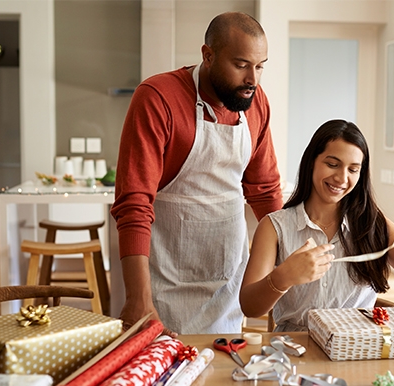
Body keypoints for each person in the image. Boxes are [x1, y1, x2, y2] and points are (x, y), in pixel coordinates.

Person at [111, 12, 283, 335]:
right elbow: (133, 205)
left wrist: (289, 259)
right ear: (208, 55)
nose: (253, 79)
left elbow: (265, 191)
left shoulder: (256, 104)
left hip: (227, 278)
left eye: (260, 66)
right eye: (241, 64)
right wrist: (138, 298)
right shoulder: (158, 98)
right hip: (162, 282)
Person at [239, 119, 394, 332]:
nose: (342, 178)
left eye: (353, 170)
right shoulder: (274, 227)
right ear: (311, 161)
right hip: (295, 353)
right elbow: (249, 307)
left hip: (356, 353)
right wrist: (283, 277)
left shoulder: (375, 226)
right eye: (332, 164)